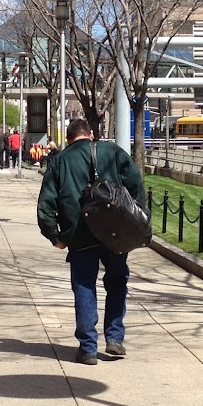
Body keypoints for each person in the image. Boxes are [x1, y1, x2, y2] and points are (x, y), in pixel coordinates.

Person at [37, 118, 144, 365]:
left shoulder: (60, 161)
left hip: (79, 235)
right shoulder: (112, 152)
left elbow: (46, 204)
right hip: (114, 232)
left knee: (84, 286)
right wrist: (135, 219)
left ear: (68, 138)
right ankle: (115, 338)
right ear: (91, 134)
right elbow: (136, 183)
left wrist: (55, 236)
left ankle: (88, 348)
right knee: (117, 282)